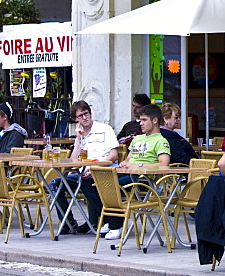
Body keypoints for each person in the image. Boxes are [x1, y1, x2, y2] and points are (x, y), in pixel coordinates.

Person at [104, 103, 171, 240]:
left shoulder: (161, 140)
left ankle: (116, 225)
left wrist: (138, 164)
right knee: (98, 182)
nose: (140, 123)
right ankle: (109, 220)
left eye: (144, 120)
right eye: (140, 120)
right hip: (128, 174)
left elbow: (164, 165)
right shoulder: (137, 138)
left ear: (155, 120)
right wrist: (124, 163)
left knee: (109, 185)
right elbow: (129, 159)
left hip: (144, 179)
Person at [51, 100, 119, 235]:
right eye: (80, 116)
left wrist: (95, 168)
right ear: (75, 119)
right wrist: (78, 139)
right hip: (83, 173)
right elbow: (74, 161)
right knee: (55, 184)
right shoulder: (81, 135)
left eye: (86, 113)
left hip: (103, 172)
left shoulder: (104, 129)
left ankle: (104, 220)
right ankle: (68, 222)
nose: (85, 117)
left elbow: (114, 155)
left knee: (87, 183)